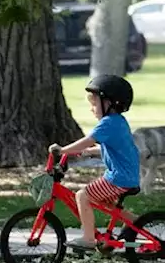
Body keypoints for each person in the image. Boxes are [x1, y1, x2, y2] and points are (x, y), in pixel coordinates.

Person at [48, 74, 141, 250]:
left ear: (110, 103)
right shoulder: (117, 122)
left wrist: (63, 150)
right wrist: (88, 153)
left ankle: (89, 239)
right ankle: (133, 221)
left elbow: (88, 140)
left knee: (82, 195)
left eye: (94, 104)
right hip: (125, 176)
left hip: (119, 178)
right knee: (102, 202)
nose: (92, 109)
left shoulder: (108, 123)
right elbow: (114, 149)